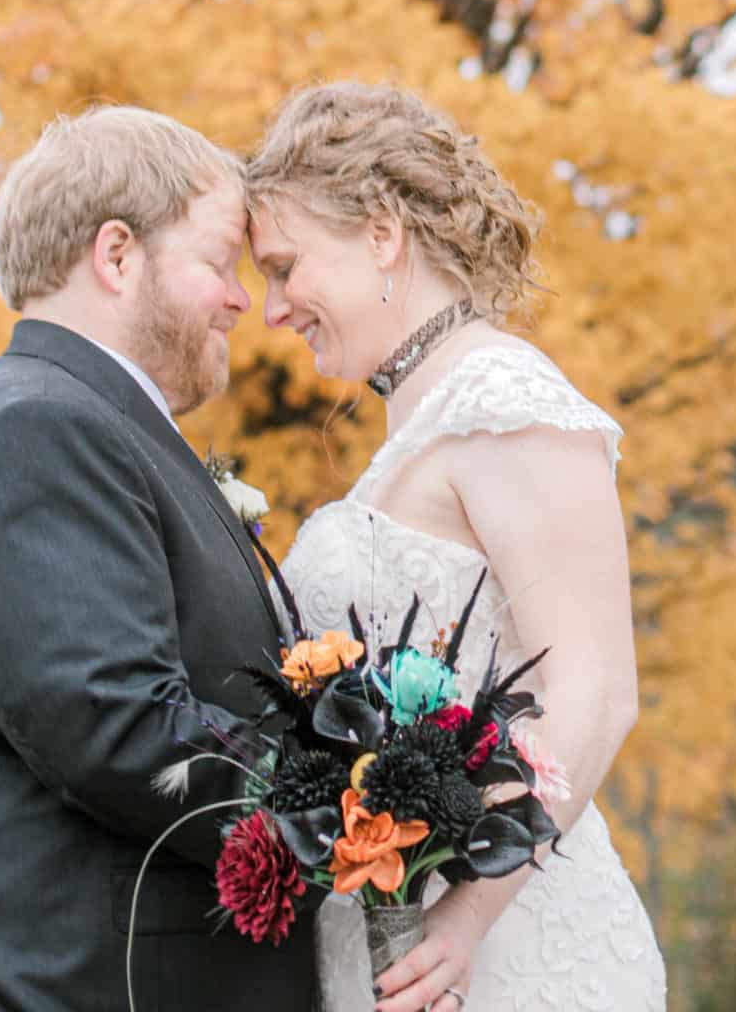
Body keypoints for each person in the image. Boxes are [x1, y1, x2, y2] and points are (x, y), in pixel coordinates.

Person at [0, 106, 311, 1012]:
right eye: (218, 263)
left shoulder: (88, 426)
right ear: (118, 256)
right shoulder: (36, 428)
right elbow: (120, 727)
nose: (240, 300)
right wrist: (361, 811)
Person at [252, 81, 666, 1012]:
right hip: (398, 947)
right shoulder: (420, 423)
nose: (273, 309)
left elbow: (596, 697)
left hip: (506, 954)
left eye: (286, 267)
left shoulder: (505, 402)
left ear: (381, 233)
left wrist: (466, 917)